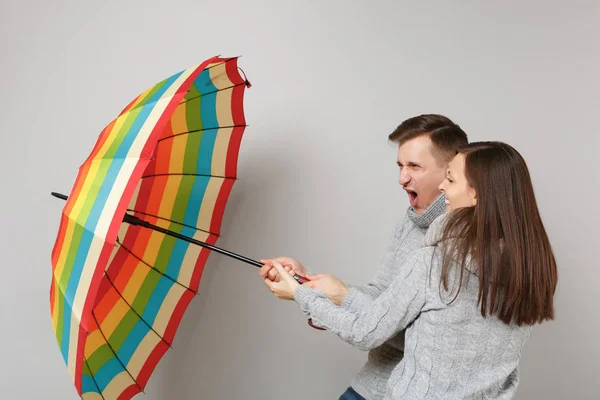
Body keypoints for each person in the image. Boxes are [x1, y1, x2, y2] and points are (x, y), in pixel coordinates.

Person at [265, 141, 558, 399]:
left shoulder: (436, 261)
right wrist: (327, 290)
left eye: (451, 180)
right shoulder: (530, 271)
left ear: (477, 195)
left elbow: (365, 331)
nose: (443, 187)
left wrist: (301, 294)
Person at [260, 114, 468, 400]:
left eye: (414, 166)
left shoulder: (464, 244)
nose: (401, 178)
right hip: (372, 385)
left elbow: (418, 335)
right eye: (399, 165)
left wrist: (327, 297)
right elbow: (380, 294)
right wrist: (308, 283)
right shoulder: (408, 224)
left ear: (451, 170)